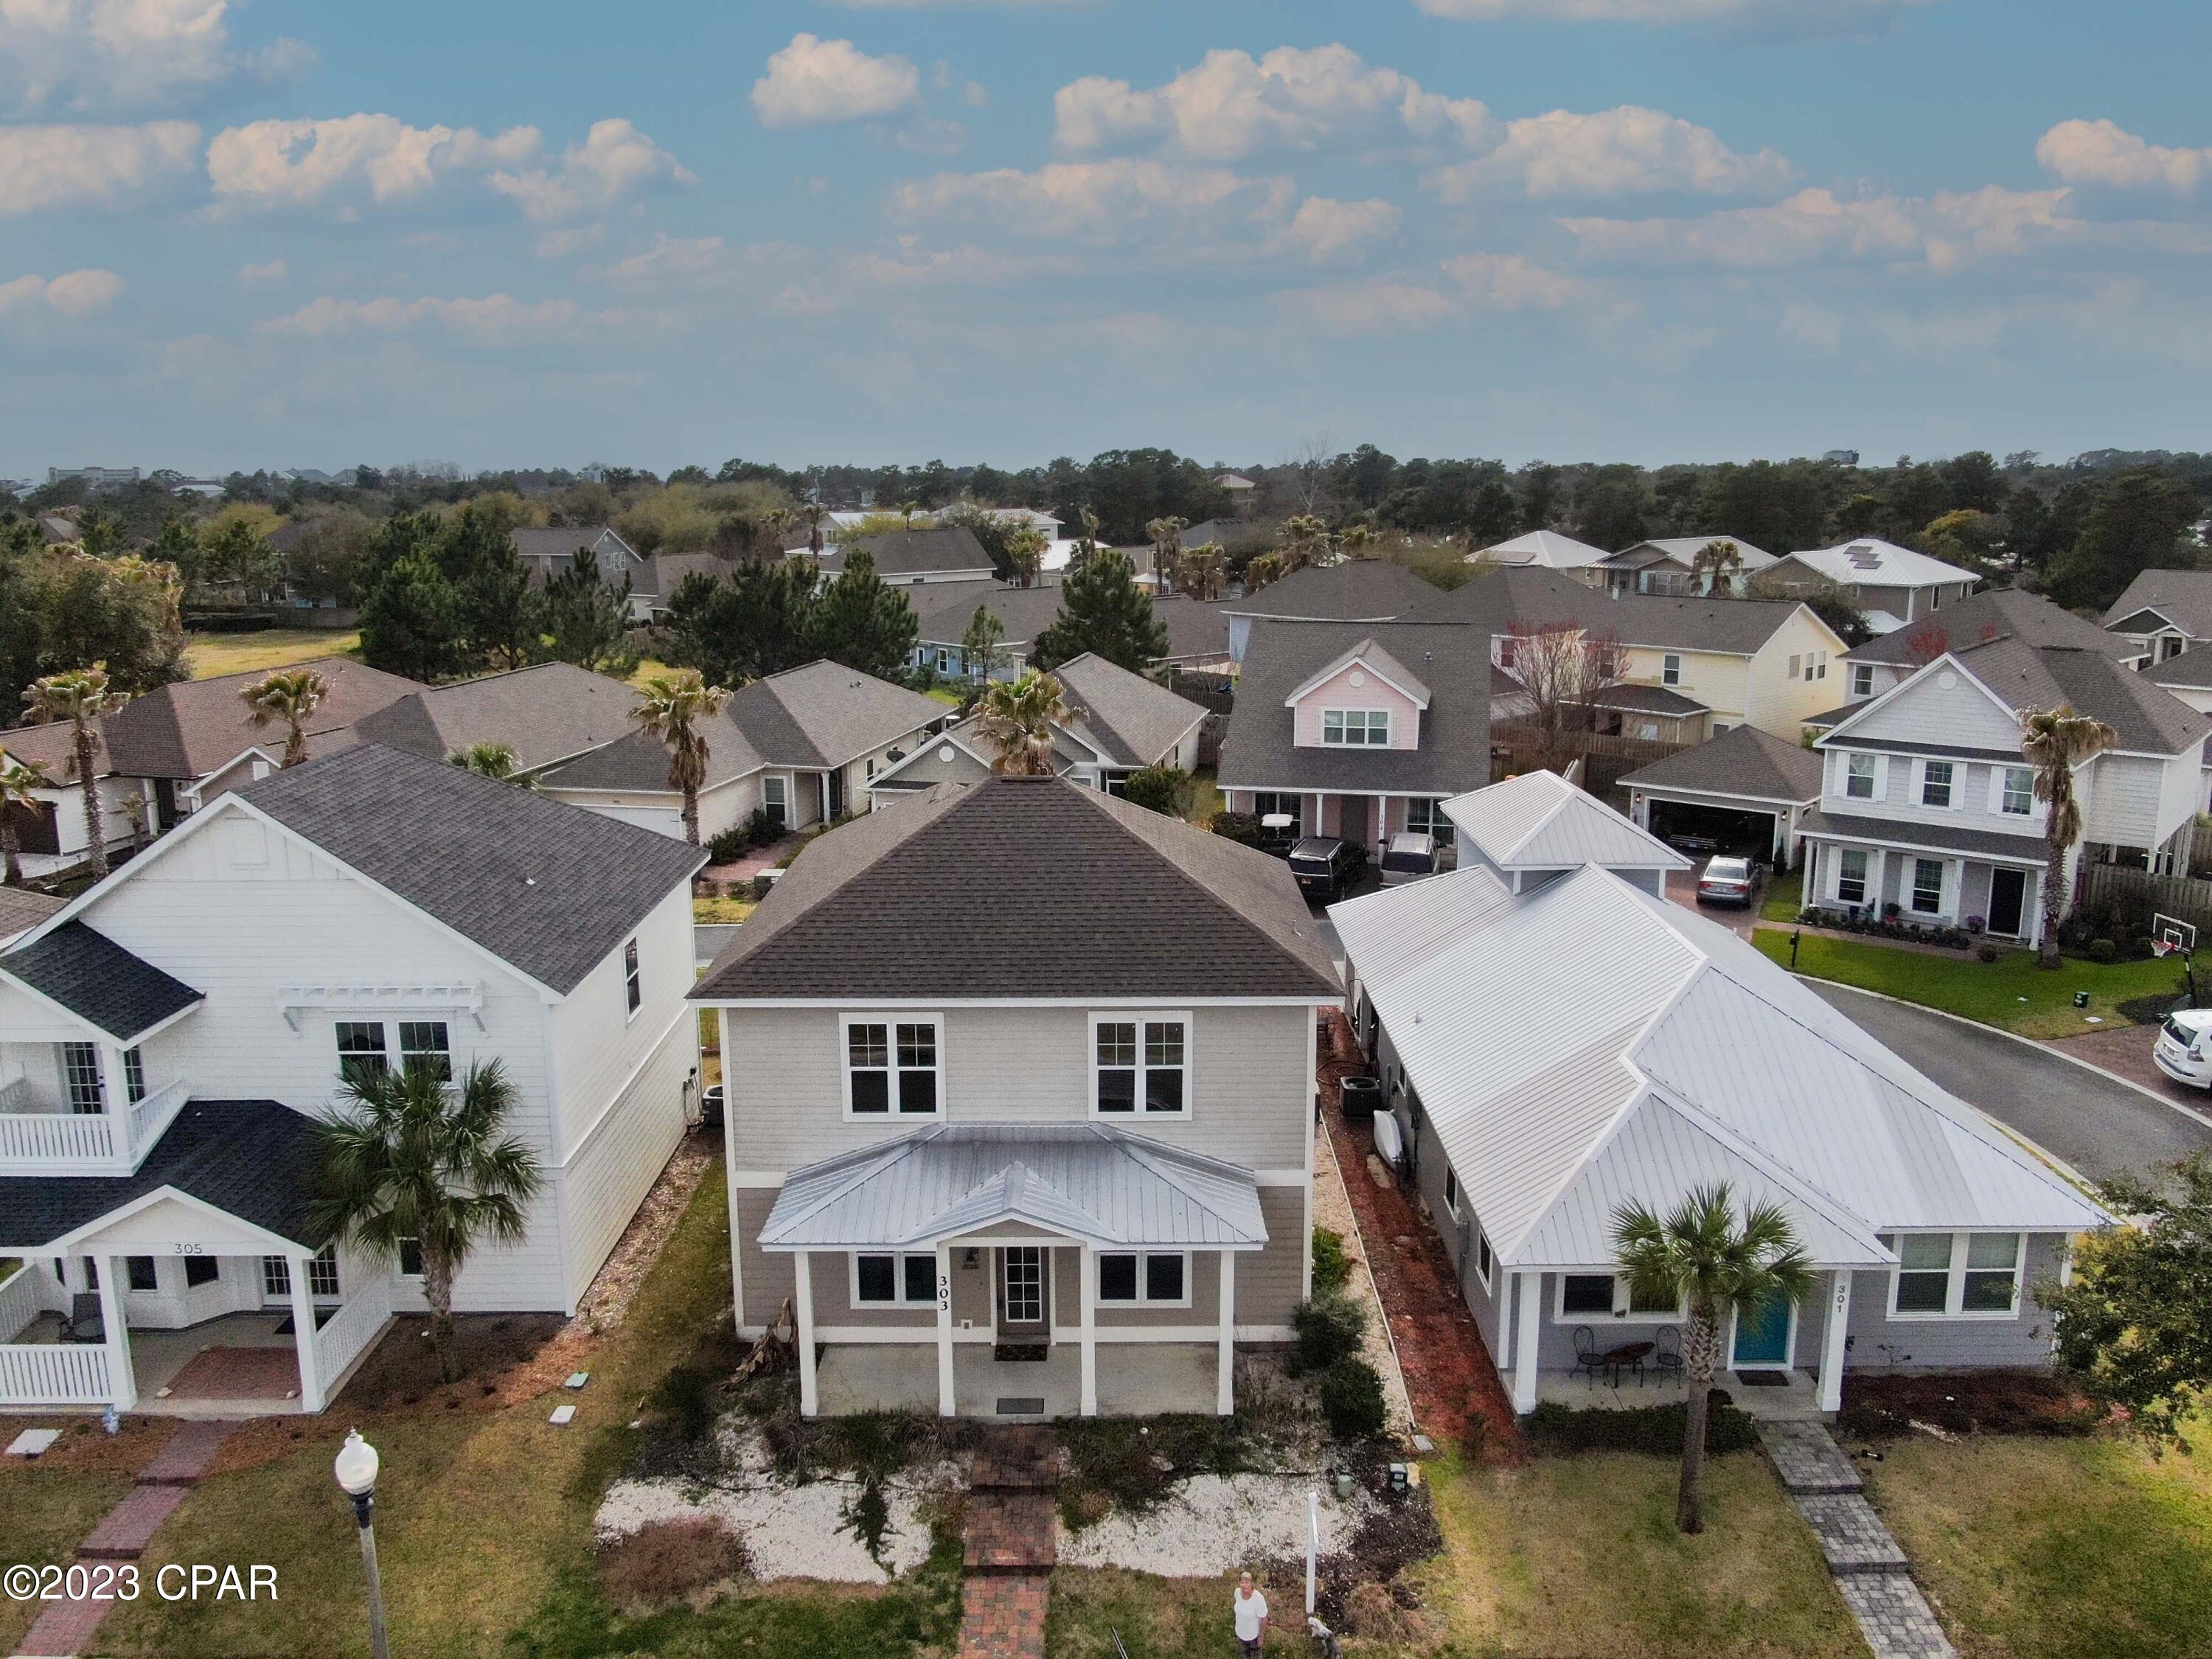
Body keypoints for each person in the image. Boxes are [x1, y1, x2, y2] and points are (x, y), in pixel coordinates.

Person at [1232, 1570, 1269, 1655]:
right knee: (1245, 1654)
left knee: (1255, 1655)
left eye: (1247, 1582)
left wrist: (1261, 1637)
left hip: (1253, 1637)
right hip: (1240, 1634)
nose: (1244, 1585)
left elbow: (1264, 1619)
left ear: (1252, 1583)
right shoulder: (1237, 1592)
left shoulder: (1258, 1598)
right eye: (1242, 1582)